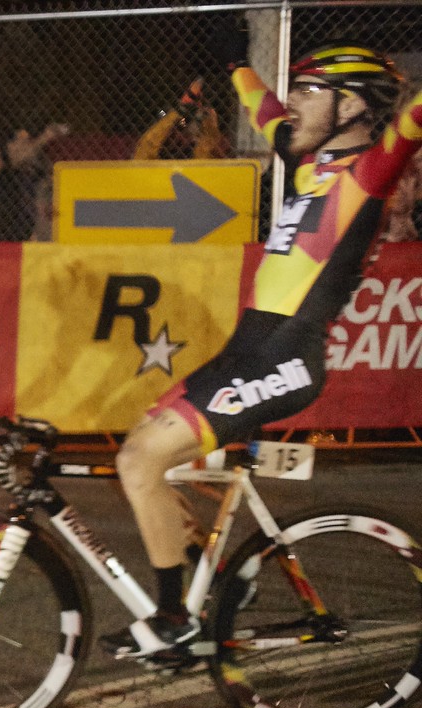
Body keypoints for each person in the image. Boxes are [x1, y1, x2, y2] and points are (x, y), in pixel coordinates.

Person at [104, 35, 422, 659]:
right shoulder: (308, 166)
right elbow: (267, 115)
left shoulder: (373, 170)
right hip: (245, 350)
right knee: (140, 452)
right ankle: (216, 585)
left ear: (356, 107)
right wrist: (233, 62)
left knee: (141, 460)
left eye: (309, 91)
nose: (292, 104)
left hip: (283, 357)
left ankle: (173, 619)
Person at [134, 79, 228, 161]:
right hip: (164, 151)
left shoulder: (203, 117)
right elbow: (159, 116)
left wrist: (204, 117)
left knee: (206, 145)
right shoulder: (166, 111)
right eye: (190, 95)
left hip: (191, 151)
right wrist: (178, 112)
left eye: (194, 97)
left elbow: (212, 141)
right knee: (146, 147)